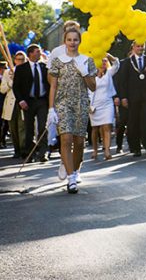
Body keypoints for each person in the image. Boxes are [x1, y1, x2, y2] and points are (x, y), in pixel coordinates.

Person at [48, 28, 98, 193]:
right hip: (63, 104)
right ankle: (71, 179)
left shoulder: (87, 60)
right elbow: (53, 86)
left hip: (81, 103)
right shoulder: (58, 61)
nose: (72, 43)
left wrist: (84, 73)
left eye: (75, 40)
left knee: (78, 142)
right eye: (69, 40)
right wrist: (51, 109)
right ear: (65, 41)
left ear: (79, 41)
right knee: (66, 139)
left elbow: (93, 86)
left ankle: (75, 170)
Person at [116, 42, 146, 156]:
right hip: (132, 97)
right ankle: (135, 147)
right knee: (133, 122)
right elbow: (123, 81)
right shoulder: (126, 62)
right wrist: (123, 97)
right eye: (138, 46)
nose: (140, 48)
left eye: (142, 46)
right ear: (133, 47)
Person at [13, 45, 50, 163]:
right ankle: (29, 153)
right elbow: (16, 87)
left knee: (42, 126)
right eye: (37, 51)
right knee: (29, 128)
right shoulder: (21, 68)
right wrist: (21, 100)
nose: (40, 53)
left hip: (42, 101)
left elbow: (50, 84)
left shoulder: (44, 67)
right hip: (28, 101)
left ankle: (43, 152)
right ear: (30, 54)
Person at [88, 54, 119, 160]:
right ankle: (95, 150)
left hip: (107, 103)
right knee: (95, 129)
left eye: (105, 61)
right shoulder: (91, 75)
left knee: (107, 127)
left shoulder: (109, 74)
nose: (104, 63)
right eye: (101, 61)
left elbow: (116, 64)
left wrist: (108, 55)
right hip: (94, 105)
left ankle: (107, 151)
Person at [2, 51, 27, 158]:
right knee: (13, 128)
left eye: (22, 59)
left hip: (22, 103)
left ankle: (23, 150)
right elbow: (2, 89)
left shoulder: (27, 71)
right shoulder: (8, 72)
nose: (19, 61)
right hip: (11, 104)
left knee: (22, 128)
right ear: (14, 60)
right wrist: (11, 82)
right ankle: (16, 150)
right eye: (18, 59)